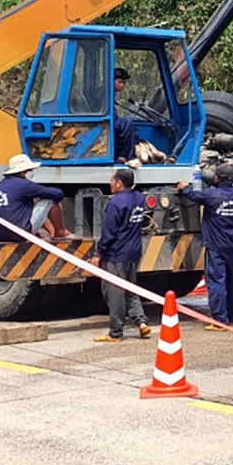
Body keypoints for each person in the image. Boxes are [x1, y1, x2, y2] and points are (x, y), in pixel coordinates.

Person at [177, 163, 233, 329]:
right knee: (231, 280)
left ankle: (219, 320)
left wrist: (184, 187)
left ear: (216, 177)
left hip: (216, 246)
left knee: (216, 281)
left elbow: (194, 196)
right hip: (232, 245)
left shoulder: (212, 195)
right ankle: (232, 316)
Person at [89, 167, 152, 343]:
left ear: (119, 183)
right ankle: (141, 322)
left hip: (117, 254)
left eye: (111, 180)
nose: (109, 184)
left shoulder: (116, 203)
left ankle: (115, 332)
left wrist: (98, 253)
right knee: (131, 289)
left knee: (114, 292)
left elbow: (109, 232)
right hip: (134, 252)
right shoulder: (139, 199)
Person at [0, 154, 72, 240]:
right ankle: (60, 232)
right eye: (30, 170)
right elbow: (58, 193)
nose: (32, 173)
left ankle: (51, 232)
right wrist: (57, 202)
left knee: (32, 203)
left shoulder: (2, 184)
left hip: (0, 236)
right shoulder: (24, 185)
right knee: (48, 200)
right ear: (22, 172)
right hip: (20, 234)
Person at [113, 66, 137, 163]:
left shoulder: (112, 93)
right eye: (119, 82)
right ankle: (127, 156)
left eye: (124, 83)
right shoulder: (105, 93)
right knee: (127, 123)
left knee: (135, 132)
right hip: (106, 123)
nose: (122, 85)